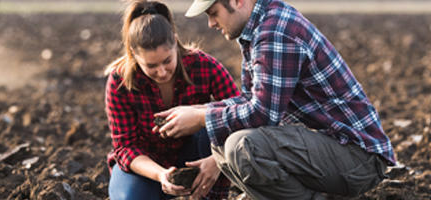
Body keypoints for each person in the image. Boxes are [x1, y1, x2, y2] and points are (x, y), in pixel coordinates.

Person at [153, 0, 396, 199]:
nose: (211, 23)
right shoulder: (258, 28)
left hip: (358, 157)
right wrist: (199, 111)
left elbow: (263, 114)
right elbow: (250, 99)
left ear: (239, 2)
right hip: (331, 149)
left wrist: (201, 116)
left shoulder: (275, 31)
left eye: (214, 13)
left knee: (241, 147)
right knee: (226, 139)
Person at [104, 1, 241, 199]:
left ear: (175, 42)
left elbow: (240, 113)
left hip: (198, 158)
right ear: (134, 55)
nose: (161, 72)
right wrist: (161, 175)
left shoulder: (204, 66)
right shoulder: (120, 82)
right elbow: (125, 146)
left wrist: (217, 161)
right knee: (130, 196)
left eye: (167, 61)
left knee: (212, 121)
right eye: (151, 66)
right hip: (147, 165)